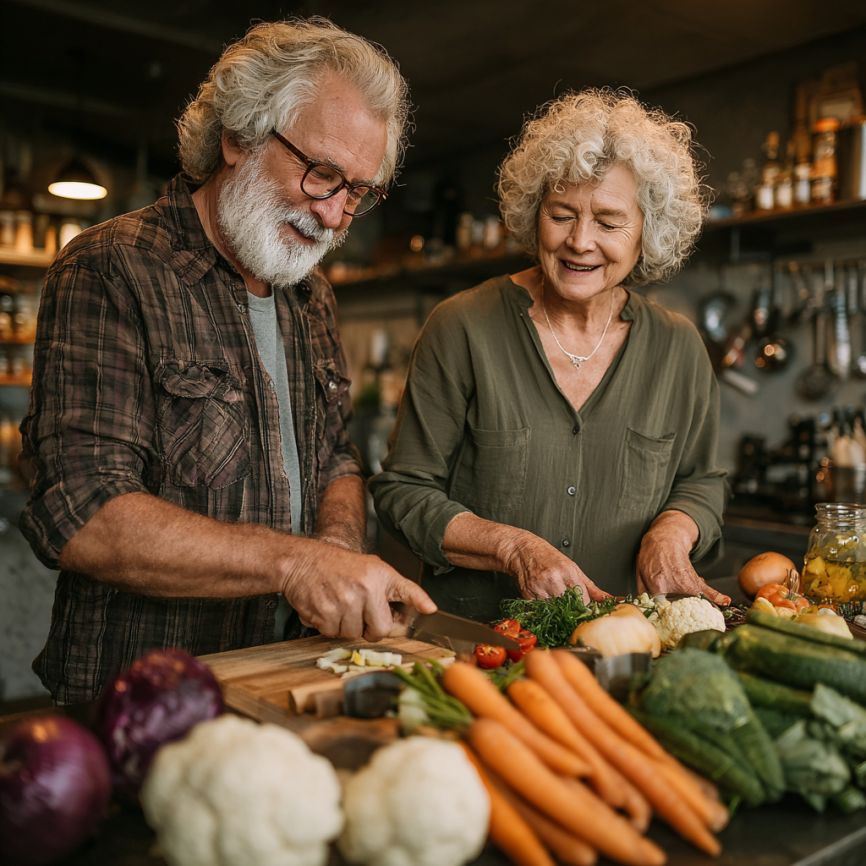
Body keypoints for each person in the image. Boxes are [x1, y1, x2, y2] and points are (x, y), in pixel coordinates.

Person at [20, 18, 435, 703]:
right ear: (239, 135)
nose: (334, 217)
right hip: (145, 697)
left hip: (291, 676)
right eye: (322, 174)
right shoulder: (111, 268)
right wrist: (297, 565)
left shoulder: (313, 297)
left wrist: (334, 554)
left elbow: (335, 457)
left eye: (357, 192)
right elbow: (84, 514)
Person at [370, 89, 731, 624]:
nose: (579, 241)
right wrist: (512, 548)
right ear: (534, 214)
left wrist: (672, 531)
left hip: (625, 645)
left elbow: (701, 481)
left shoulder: (678, 348)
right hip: (479, 646)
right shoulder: (463, 326)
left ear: (646, 233)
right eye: (561, 215)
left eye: (608, 223)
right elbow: (403, 490)